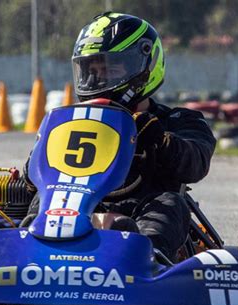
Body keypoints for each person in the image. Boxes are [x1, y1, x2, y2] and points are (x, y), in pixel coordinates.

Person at [25, 12, 216, 261]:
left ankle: (147, 257)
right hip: (74, 207)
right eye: (90, 70)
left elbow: (196, 163)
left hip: (142, 210)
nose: (97, 79)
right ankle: (28, 246)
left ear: (143, 68)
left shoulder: (178, 121)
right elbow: (37, 174)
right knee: (43, 197)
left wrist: (160, 140)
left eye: (109, 69)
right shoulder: (73, 121)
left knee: (170, 203)